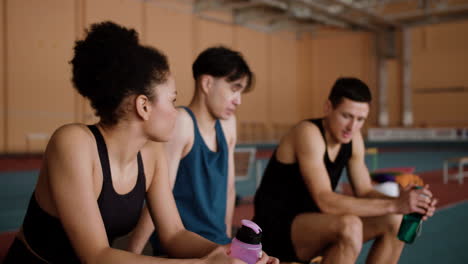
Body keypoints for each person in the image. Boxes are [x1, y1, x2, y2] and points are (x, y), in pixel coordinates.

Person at [4, 21, 277, 264]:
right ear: (143, 106)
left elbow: (174, 235)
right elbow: (96, 255)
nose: (176, 110)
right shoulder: (73, 143)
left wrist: (230, 253)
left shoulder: (152, 153)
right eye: (172, 100)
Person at [252, 77, 438, 264]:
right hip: (275, 229)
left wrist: (407, 204)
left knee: (395, 220)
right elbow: (325, 200)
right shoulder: (308, 133)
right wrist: (395, 204)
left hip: (317, 223)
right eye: (346, 116)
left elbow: (364, 191)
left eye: (360, 119)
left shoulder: (354, 139)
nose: (352, 127)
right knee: (350, 225)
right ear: (328, 108)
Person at [127, 46, 253, 255]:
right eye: (234, 88)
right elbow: (158, 196)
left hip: (217, 243)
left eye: (241, 92)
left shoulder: (228, 124)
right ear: (207, 83)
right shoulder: (182, 124)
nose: (238, 100)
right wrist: (133, 252)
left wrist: (226, 239)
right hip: (183, 246)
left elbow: (229, 188)